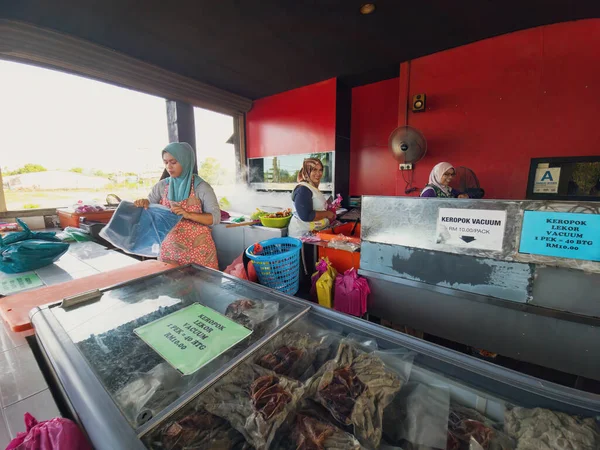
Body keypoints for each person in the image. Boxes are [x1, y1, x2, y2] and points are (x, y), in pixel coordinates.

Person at [134, 142, 220, 269]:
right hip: (169, 251)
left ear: (185, 161)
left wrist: (188, 214)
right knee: (172, 287)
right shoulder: (162, 186)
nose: (169, 167)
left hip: (199, 253)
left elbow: (215, 218)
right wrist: (144, 204)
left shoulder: (201, 187)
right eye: (165, 162)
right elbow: (149, 209)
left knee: (201, 287)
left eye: (173, 162)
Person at [288, 158, 336, 238]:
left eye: (320, 170)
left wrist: (330, 207)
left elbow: (316, 205)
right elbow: (306, 215)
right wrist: (327, 214)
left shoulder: (312, 187)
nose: (318, 173)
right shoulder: (303, 189)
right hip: (301, 236)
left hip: (312, 234)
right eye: (314, 170)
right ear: (307, 171)